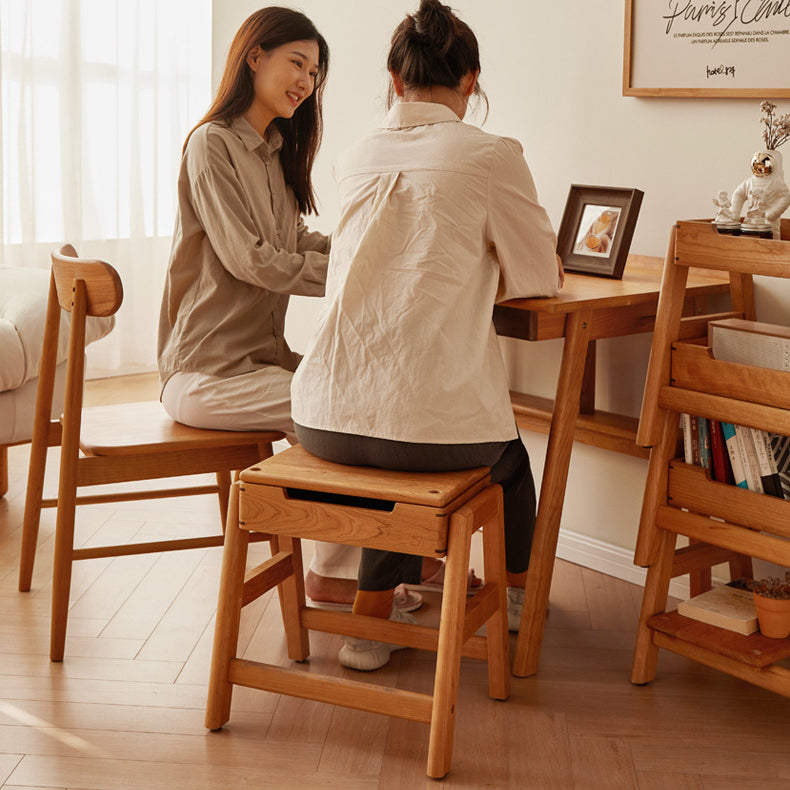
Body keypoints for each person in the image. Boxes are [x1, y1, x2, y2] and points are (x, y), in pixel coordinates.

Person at [291, 0, 564, 671]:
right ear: (471, 80)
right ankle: (521, 604)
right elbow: (539, 277)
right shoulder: (491, 153)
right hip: (413, 431)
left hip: (321, 414)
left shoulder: (356, 155)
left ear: (393, 75)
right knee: (505, 460)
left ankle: (371, 625)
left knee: (402, 432)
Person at [157, 7, 371, 608]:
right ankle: (339, 570)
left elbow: (295, 241)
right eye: (296, 63)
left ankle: (366, 561)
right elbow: (250, 259)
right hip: (205, 373)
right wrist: (353, 272)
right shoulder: (211, 146)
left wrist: (367, 246)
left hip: (255, 364)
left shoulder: (273, 150)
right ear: (255, 57)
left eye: (314, 72)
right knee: (335, 405)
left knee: (362, 390)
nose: (306, 81)